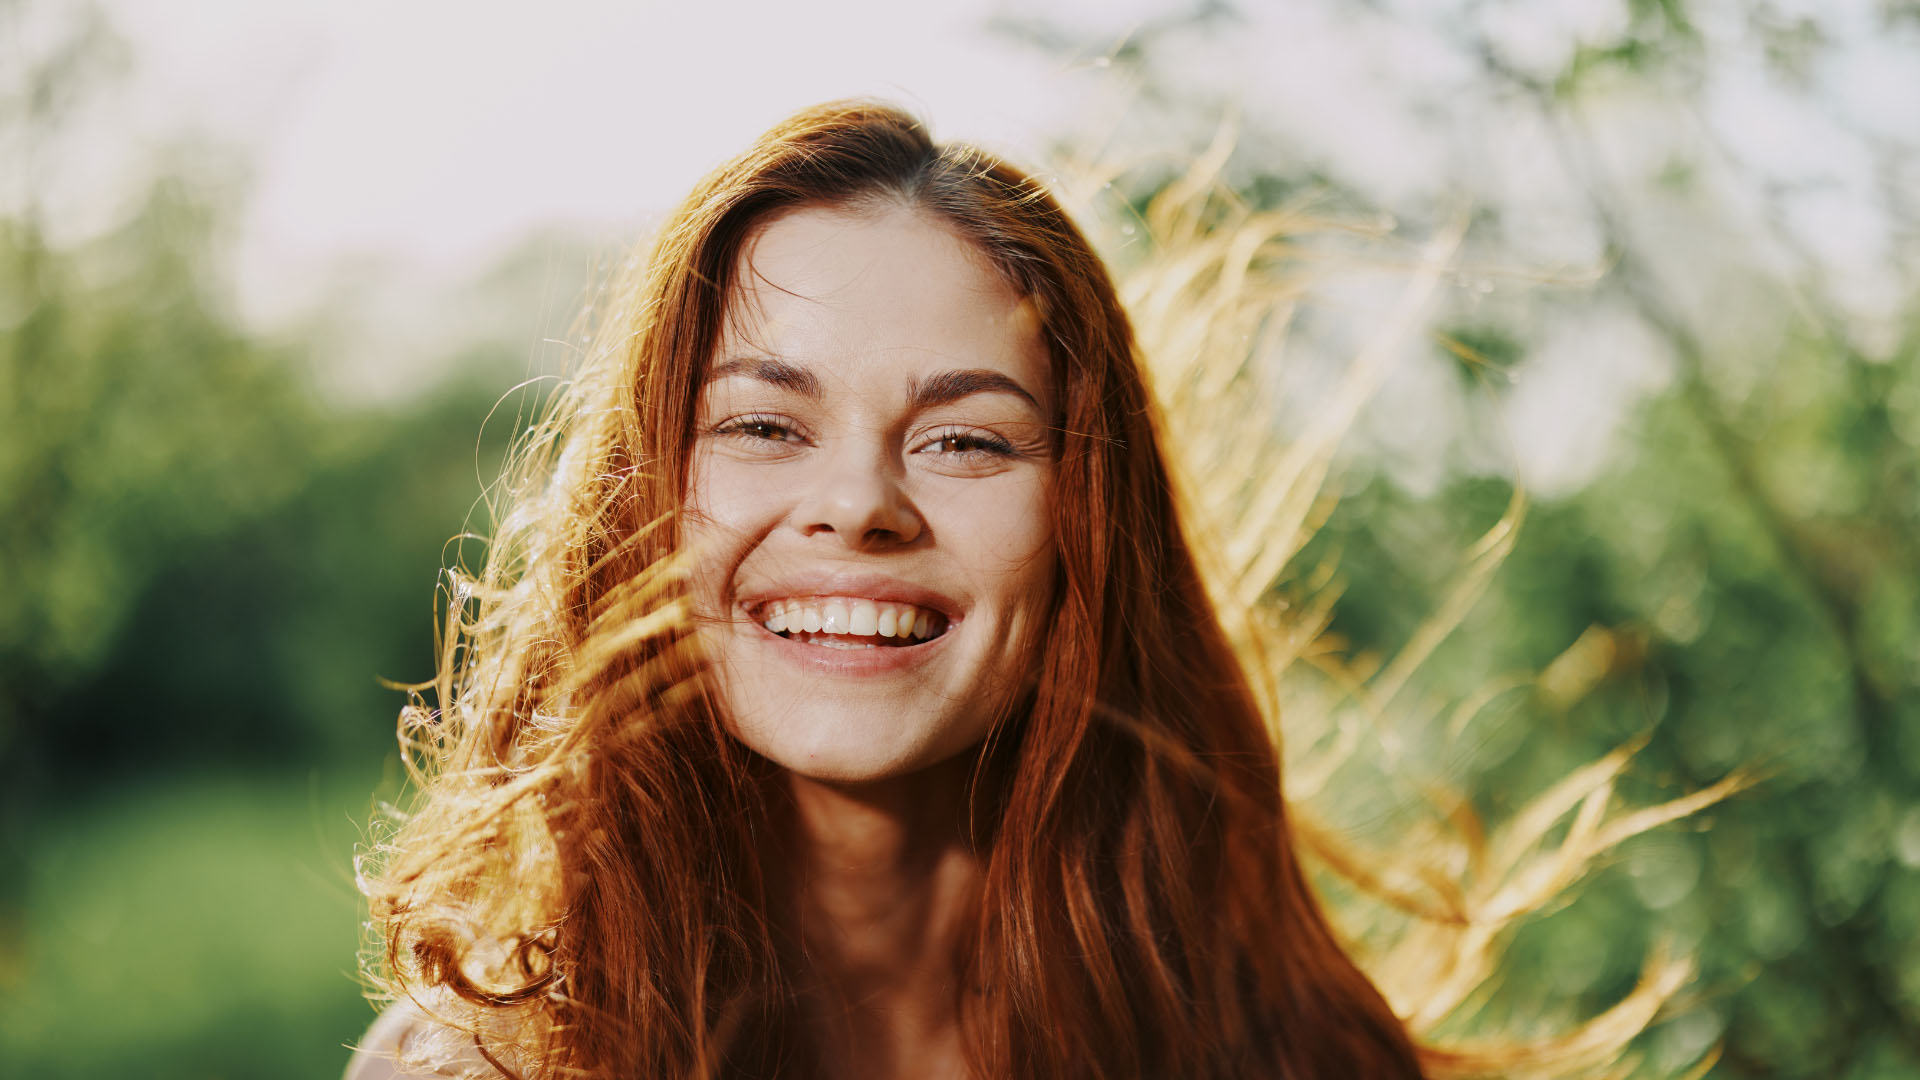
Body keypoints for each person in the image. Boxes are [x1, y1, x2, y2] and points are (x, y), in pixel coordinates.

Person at [346, 100, 1427, 1080]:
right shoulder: (478, 1065)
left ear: (1087, 528)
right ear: (642, 501)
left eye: (964, 440)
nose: (860, 503)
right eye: (764, 426)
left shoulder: (1293, 1055)